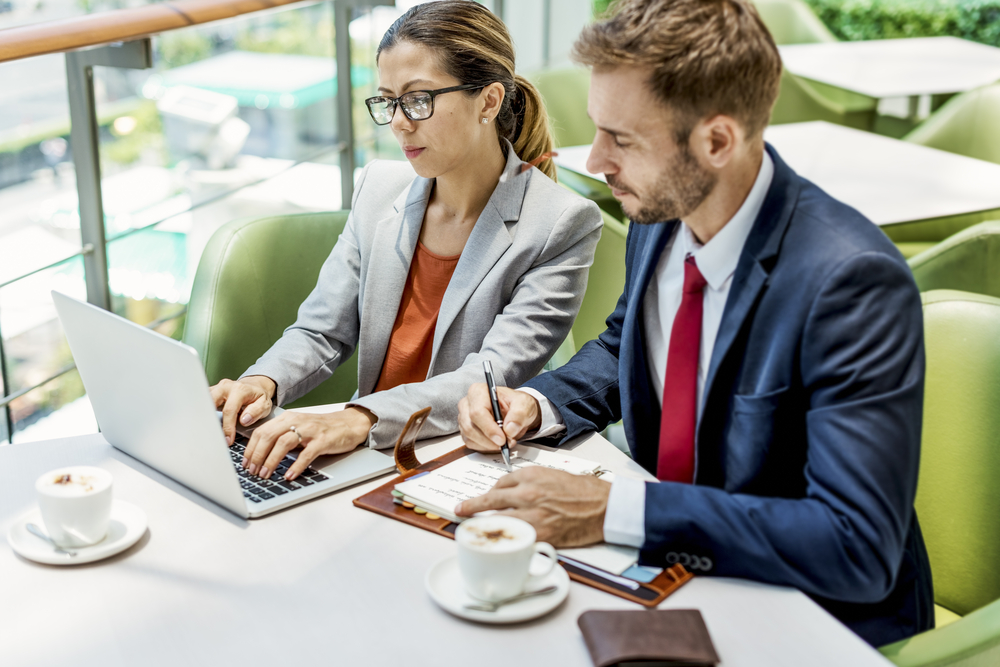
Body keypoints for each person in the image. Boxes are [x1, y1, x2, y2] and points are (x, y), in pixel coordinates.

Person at [456, 0, 932, 647]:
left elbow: (855, 544)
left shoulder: (851, 281)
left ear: (716, 141)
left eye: (621, 138)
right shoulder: (659, 213)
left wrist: (615, 509)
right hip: (668, 577)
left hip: (809, 616)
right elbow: (632, 341)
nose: (595, 161)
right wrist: (539, 403)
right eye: (598, 129)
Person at [211, 0, 602, 483]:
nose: (399, 122)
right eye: (387, 100)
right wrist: (263, 380)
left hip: (455, 462)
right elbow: (321, 330)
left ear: (489, 100)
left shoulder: (561, 222)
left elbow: (489, 375)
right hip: (361, 456)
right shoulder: (378, 187)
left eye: (419, 100)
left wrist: (359, 419)